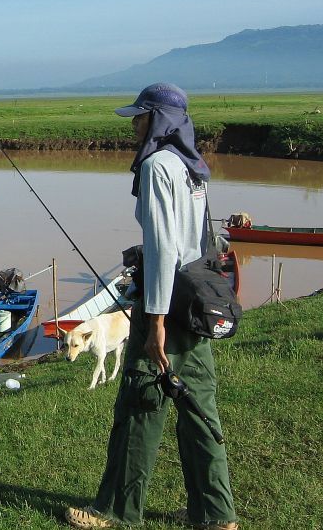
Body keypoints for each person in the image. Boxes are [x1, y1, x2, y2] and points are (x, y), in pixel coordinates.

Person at [65, 84, 238, 530]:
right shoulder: (191, 164)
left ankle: (117, 512)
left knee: (141, 404)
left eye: (140, 117)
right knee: (199, 409)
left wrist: (156, 321)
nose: (134, 126)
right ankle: (217, 516)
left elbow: (163, 248)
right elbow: (199, 240)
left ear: (158, 120)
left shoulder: (159, 165)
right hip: (196, 303)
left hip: (166, 307)